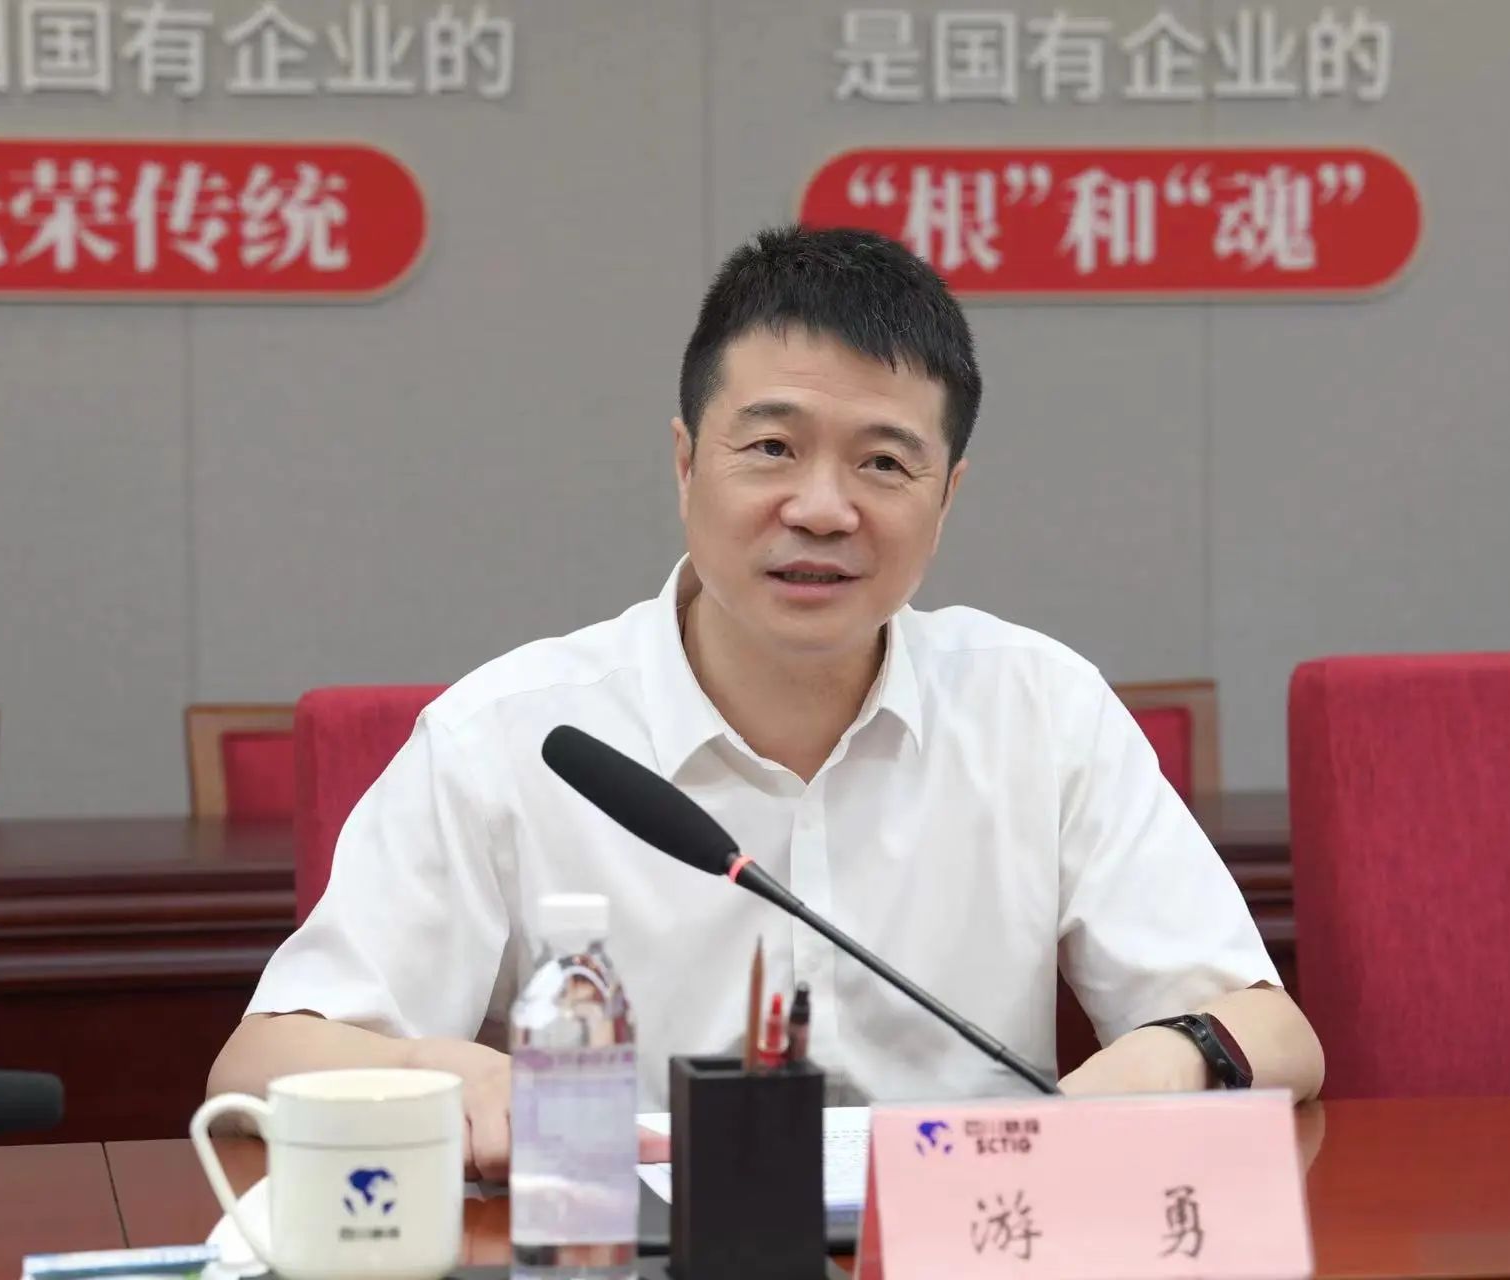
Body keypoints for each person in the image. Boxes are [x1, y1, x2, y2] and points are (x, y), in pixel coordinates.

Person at [209, 225, 1323, 1178]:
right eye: (773, 447)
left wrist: (1150, 1067)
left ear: (946, 499)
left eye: (884, 464)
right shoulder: (510, 737)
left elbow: (1273, 1031)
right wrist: (433, 1067)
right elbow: (258, 1065)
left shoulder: (1039, 709)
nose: (823, 508)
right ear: (686, 464)